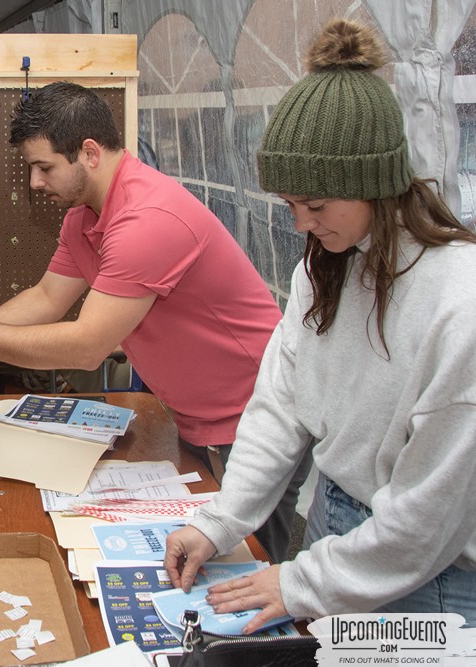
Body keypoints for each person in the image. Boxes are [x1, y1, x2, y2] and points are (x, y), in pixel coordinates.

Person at [164, 18, 476, 632]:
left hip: (428, 573)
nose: (301, 225)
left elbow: (429, 516)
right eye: (290, 206)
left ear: (374, 186)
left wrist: (303, 579)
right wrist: (221, 519)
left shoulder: (457, 302)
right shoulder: (326, 267)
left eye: (316, 205)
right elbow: (281, 405)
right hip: (336, 527)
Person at [0, 81, 302, 562]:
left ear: (89, 153)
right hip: (202, 420)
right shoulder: (83, 218)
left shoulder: (146, 219)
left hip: (255, 423)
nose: (34, 182)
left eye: (43, 167)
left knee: (250, 574)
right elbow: (46, 299)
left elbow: (87, 345)